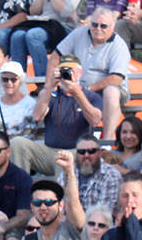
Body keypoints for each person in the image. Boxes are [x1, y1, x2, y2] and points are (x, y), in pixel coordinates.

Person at [10, 54, 103, 176]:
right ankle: (21, 188)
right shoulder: (52, 95)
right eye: (63, 71)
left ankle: (62, 193)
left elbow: (94, 120)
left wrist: (77, 93)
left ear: (80, 73)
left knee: (65, 160)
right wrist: (50, 86)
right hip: (49, 152)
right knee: (17, 143)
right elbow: (37, 116)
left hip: (77, 152)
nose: (67, 75)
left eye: (71, 71)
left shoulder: (91, 96)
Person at [50, 7, 130, 140]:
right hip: (78, 86)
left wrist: (88, 89)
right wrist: (51, 83)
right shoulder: (79, 33)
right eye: (94, 24)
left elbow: (116, 79)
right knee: (51, 92)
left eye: (103, 26)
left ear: (112, 27)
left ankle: (107, 141)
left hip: (107, 89)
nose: (98, 28)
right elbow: (55, 56)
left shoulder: (119, 46)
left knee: (111, 92)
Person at [12, 0, 83, 79]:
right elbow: (33, 11)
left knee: (33, 36)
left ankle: (43, 82)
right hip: (43, 24)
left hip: (62, 27)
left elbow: (65, 12)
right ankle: (17, 82)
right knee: (17, 36)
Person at [59, 134, 122, 215]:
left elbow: (106, 213)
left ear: (99, 153)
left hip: (100, 225)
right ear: (76, 154)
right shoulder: (66, 174)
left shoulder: (112, 175)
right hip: (70, 223)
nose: (86, 155)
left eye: (91, 151)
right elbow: (61, 208)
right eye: (81, 152)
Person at [0, 61, 36, 140]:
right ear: (0, 80)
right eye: (5, 79)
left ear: (21, 80)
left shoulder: (30, 103)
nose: (9, 83)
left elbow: (30, 135)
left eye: (13, 79)